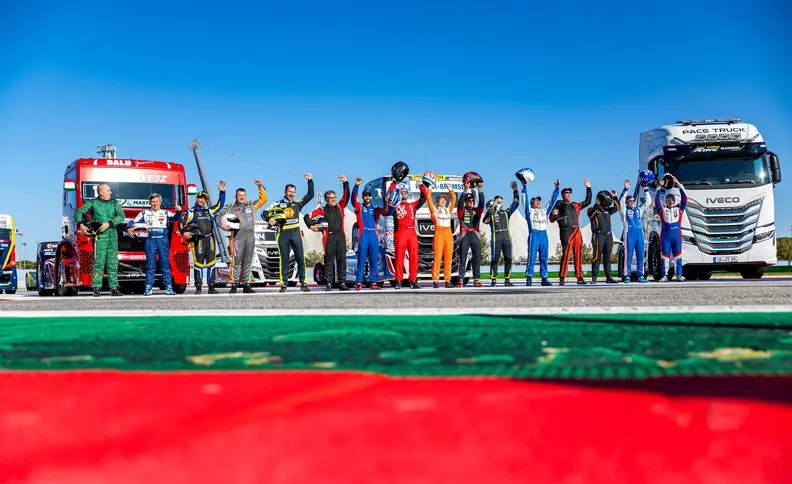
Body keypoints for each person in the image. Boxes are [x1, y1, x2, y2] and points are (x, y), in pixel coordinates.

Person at [262, 174, 314, 292]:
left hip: (295, 234)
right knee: (284, 260)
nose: (291, 194)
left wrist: (310, 181)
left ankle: (303, 283)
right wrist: (269, 219)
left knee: (300, 258)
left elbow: (310, 195)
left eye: (293, 192)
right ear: (285, 192)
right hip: (283, 234)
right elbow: (264, 212)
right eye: (289, 192)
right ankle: (283, 285)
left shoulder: (297, 203)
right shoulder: (277, 204)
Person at [214, 180, 267, 293]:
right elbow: (217, 216)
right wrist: (222, 225)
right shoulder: (231, 207)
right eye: (239, 195)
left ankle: (246, 284)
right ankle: (234, 284)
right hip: (237, 237)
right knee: (236, 261)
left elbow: (264, 199)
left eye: (243, 195)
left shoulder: (251, 205)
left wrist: (260, 186)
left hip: (250, 236)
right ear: (236, 196)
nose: (242, 197)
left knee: (248, 261)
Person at [75, 183, 126, 297]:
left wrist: (109, 223)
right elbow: (79, 212)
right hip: (100, 236)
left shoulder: (114, 203)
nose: (110, 192)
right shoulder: (93, 203)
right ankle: (96, 287)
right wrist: (81, 225)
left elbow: (121, 216)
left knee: (112, 263)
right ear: (101, 192)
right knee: (99, 262)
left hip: (113, 235)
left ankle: (114, 288)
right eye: (108, 190)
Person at [127, 193, 184, 296]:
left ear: (160, 202)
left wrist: (179, 211)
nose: (155, 204)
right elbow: (132, 221)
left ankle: (168, 287)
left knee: (165, 264)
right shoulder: (144, 213)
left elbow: (176, 218)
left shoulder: (166, 213)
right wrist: (129, 228)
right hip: (150, 240)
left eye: (156, 201)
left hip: (163, 240)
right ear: (150, 203)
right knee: (150, 265)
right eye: (153, 202)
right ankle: (148, 287)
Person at [305, 176, 350, 291]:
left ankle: (342, 283)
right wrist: (311, 226)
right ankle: (329, 283)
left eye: (334, 197)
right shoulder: (322, 210)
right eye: (330, 198)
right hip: (328, 236)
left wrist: (345, 183)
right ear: (326, 200)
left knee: (342, 260)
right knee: (329, 260)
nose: (333, 200)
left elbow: (346, 196)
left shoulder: (340, 207)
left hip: (340, 236)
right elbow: (307, 216)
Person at [180, 181, 226, 294]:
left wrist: (222, 192)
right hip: (197, 241)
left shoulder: (209, 210)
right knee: (198, 264)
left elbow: (220, 205)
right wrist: (184, 232)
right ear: (196, 198)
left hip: (210, 239)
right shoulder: (191, 212)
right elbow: (181, 223)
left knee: (211, 263)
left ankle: (211, 287)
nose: (202, 200)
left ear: (206, 200)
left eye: (204, 198)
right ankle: (198, 287)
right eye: (200, 198)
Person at [384, 180, 427, 289]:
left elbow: (424, 198)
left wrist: (421, 186)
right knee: (399, 257)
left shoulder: (412, 205)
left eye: (406, 192)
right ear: (399, 193)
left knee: (414, 257)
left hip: (412, 231)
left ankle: (413, 280)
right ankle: (398, 280)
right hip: (400, 232)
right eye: (403, 192)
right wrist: (393, 183)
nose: (405, 193)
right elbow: (388, 196)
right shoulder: (394, 205)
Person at [549, 179, 591, 285]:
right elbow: (551, 218)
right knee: (566, 254)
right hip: (566, 231)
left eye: (570, 193)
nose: (569, 194)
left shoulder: (575, 205)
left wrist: (588, 188)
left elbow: (588, 201)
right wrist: (554, 215)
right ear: (563, 195)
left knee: (578, 254)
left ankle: (579, 277)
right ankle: (562, 277)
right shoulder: (559, 204)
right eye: (566, 193)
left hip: (577, 230)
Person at [350, 178, 389, 290]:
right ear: (363, 197)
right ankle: (359, 282)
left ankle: (373, 282)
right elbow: (353, 200)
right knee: (361, 258)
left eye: (369, 195)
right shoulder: (360, 207)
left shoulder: (376, 209)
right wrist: (356, 186)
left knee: (373, 259)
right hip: (363, 234)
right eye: (365, 195)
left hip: (373, 235)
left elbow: (388, 212)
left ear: (371, 197)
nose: (367, 197)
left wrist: (391, 202)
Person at [523, 178, 560, 286]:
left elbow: (552, 200)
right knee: (532, 257)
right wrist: (524, 187)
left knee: (544, 257)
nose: (538, 202)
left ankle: (544, 278)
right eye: (536, 201)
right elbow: (524, 200)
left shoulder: (544, 210)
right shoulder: (529, 211)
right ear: (531, 204)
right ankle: (529, 277)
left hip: (544, 234)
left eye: (539, 200)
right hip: (534, 234)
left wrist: (557, 189)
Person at [483, 182, 520, 287]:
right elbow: (484, 221)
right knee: (495, 259)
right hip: (496, 239)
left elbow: (516, 203)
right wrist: (490, 211)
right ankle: (493, 279)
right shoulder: (491, 215)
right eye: (498, 202)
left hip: (507, 239)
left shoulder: (506, 212)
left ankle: (507, 279)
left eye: (501, 202)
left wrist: (515, 190)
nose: (500, 203)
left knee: (508, 258)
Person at [654, 175, 688, 282]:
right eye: (668, 199)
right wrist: (659, 187)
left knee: (678, 255)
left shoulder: (679, 209)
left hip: (676, 235)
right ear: (665, 201)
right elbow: (656, 202)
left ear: (674, 201)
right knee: (665, 256)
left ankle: (679, 275)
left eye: (671, 199)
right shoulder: (662, 210)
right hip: (665, 235)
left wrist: (678, 185)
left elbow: (685, 199)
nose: (670, 201)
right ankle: (665, 275)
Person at [618, 178, 650, 283]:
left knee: (641, 255)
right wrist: (625, 189)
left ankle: (641, 275)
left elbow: (648, 202)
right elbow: (621, 201)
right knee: (629, 256)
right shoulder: (624, 211)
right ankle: (627, 275)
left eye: (633, 201)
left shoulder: (638, 209)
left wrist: (645, 189)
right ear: (627, 202)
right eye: (630, 201)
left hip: (639, 235)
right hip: (629, 235)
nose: (632, 202)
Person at [426, 185, 457, 288]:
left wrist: (450, 189)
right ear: (437, 202)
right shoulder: (434, 210)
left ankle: (447, 280)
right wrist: (429, 188)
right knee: (437, 257)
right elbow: (428, 198)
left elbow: (454, 199)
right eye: (441, 199)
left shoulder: (448, 210)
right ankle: (435, 280)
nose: (443, 201)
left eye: (444, 199)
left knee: (448, 258)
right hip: (439, 232)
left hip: (448, 232)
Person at [587, 189, 620, 284]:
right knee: (596, 256)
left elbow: (617, 208)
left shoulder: (608, 211)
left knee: (608, 257)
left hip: (608, 236)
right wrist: (596, 205)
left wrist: (615, 197)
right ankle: (594, 278)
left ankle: (609, 277)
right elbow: (590, 214)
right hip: (598, 235)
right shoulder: (593, 210)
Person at [456, 179, 485, 288]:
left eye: (472, 201)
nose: (471, 202)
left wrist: (480, 189)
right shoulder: (461, 210)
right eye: (468, 201)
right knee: (463, 258)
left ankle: (476, 280)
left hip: (475, 235)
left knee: (477, 258)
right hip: (464, 235)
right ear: (466, 202)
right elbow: (459, 203)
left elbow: (482, 203)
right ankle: (460, 280)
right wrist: (465, 190)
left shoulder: (477, 211)